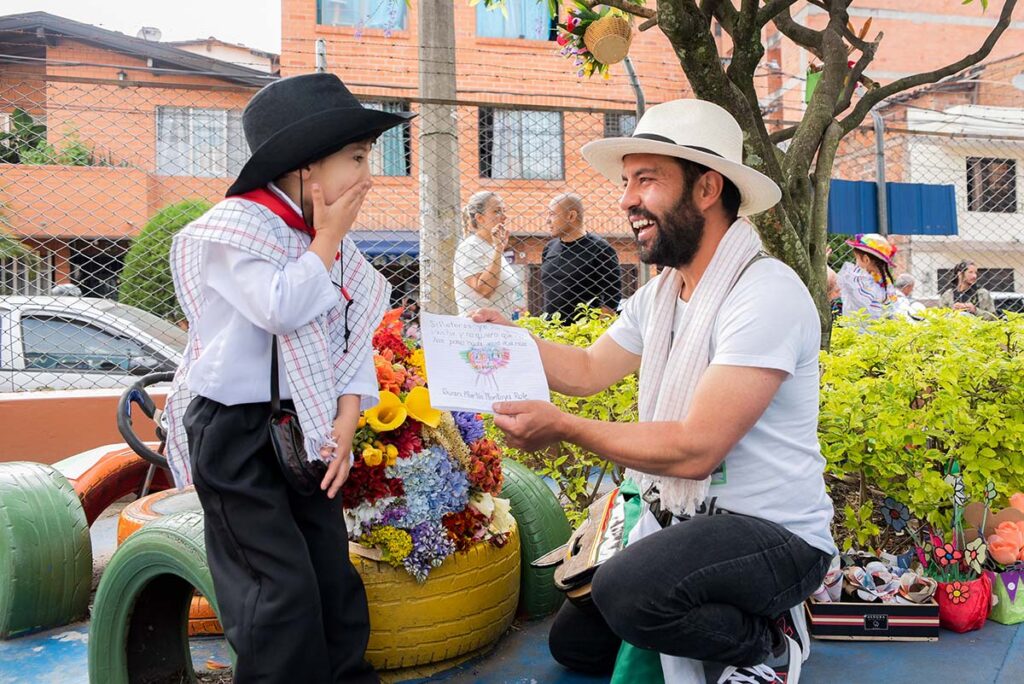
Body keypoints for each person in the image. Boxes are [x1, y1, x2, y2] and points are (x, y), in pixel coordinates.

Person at [475, 99, 834, 683]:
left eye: (646, 181)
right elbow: (589, 369)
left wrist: (564, 426)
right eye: (625, 182)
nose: (625, 201)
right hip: (686, 520)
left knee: (629, 594)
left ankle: (768, 641)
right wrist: (512, 342)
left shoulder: (764, 292)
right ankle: (709, 613)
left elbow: (697, 449)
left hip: (774, 535)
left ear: (707, 189)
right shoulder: (664, 294)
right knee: (577, 644)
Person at [162, 73, 411, 684]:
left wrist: (347, 426)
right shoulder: (235, 229)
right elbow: (280, 305)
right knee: (277, 590)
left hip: (306, 429)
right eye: (355, 158)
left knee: (331, 574)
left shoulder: (329, 247)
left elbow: (348, 344)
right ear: (306, 169)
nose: (367, 175)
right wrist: (325, 241)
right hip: (237, 432)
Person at [540, 193, 622, 322]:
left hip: (581, 336)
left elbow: (611, 300)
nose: (547, 220)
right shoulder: (549, 248)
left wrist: (593, 335)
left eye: (552, 214)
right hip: (550, 332)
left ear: (571, 216)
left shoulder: (601, 249)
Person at [453, 191, 525, 318]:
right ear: (480, 218)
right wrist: (498, 249)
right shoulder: (470, 247)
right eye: (497, 211)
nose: (504, 217)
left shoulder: (493, 247)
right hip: (479, 329)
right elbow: (484, 289)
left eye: (504, 211)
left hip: (498, 328)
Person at [829, 233, 899, 319]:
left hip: (856, 331)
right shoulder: (885, 283)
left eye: (857, 259)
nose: (855, 263)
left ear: (866, 259)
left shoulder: (857, 280)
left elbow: (833, 283)